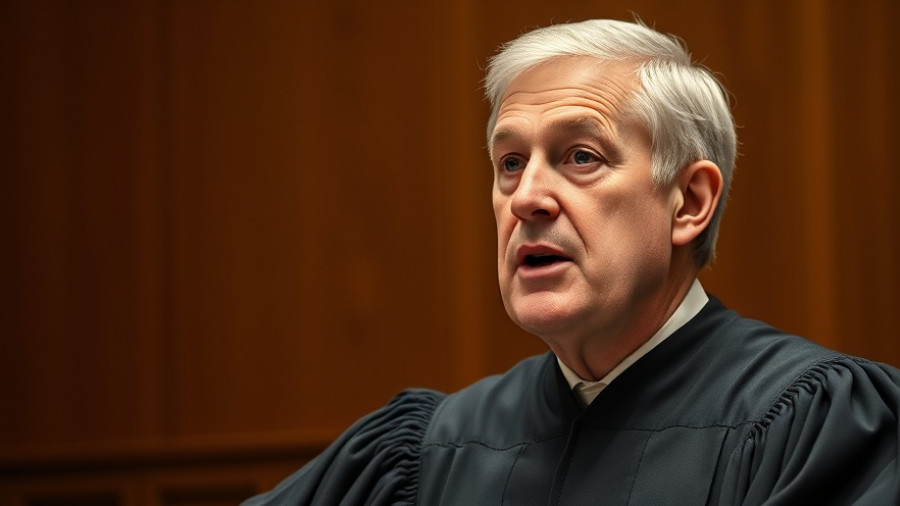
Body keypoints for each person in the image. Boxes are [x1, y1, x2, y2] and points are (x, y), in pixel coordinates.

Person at [244, 19, 900, 505]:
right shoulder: (429, 450)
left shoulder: (814, 425)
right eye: (509, 163)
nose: (526, 197)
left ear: (688, 202)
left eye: (579, 156)